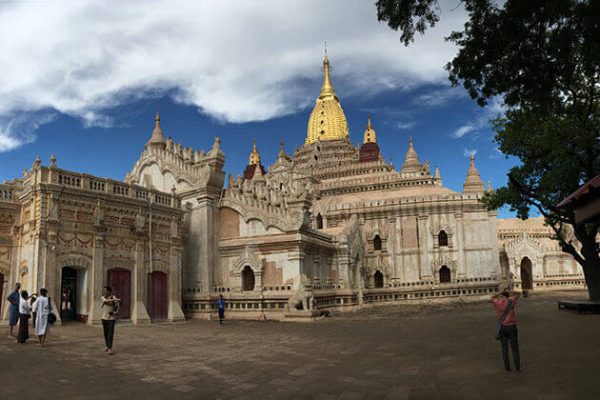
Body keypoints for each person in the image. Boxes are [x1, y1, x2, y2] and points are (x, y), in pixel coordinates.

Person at [491, 283, 522, 371]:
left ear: (501, 297)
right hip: (512, 327)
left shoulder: (498, 303)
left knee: (504, 348)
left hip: (502, 328)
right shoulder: (510, 302)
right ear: (508, 296)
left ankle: (507, 367)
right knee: (515, 348)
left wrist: (500, 292)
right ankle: (517, 366)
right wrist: (508, 291)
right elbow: (518, 293)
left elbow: (492, 298)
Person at [101, 286, 121, 355]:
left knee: (110, 333)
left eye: (106, 291)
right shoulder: (103, 297)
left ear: (109, 291)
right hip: (104, 318)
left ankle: (110, 348)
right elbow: (105, 301)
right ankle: (107, 346)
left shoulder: (113, 297)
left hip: (111, 318)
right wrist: (115, 300)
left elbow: (118, 305)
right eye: (104, 291)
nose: (105, 292)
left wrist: (116, 312)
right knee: (106, 333)